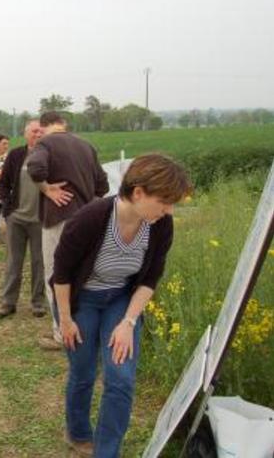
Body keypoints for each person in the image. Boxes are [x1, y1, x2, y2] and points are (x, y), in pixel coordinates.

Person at [54, 154, 191, 457]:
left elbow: (150, 278)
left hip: (120, 300)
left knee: (121, 379)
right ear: (138, 192)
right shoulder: (90, 219)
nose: (169, 210)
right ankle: (77, 432)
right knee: (84, 371)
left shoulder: (160, 225)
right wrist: (65, 319)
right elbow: (61, 275)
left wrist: (128, 323)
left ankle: (106, 452)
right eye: (165, 201)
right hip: (80, 301)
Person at [27, 111, 109, 350]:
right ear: (64, 125)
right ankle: (87, 330)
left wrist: (46, 189)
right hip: (87, 221)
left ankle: (62, 334)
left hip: (59, 220)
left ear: (42, 128)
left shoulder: (45, 144)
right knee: (84, 275)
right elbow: (102, 185)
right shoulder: (86, 146)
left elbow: (35, 168)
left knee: (56, 276)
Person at [0, 121, 47, 319]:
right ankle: (8, 303)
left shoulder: (49, 156)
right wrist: (8, 211)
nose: (38, 134)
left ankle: (38, 303)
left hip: (40, 220)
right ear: (26, 134)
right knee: (13, 262)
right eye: (34, 131)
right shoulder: (16, 155)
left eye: (41, 132)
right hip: (17, 218)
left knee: (39, 262)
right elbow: (4, 183)